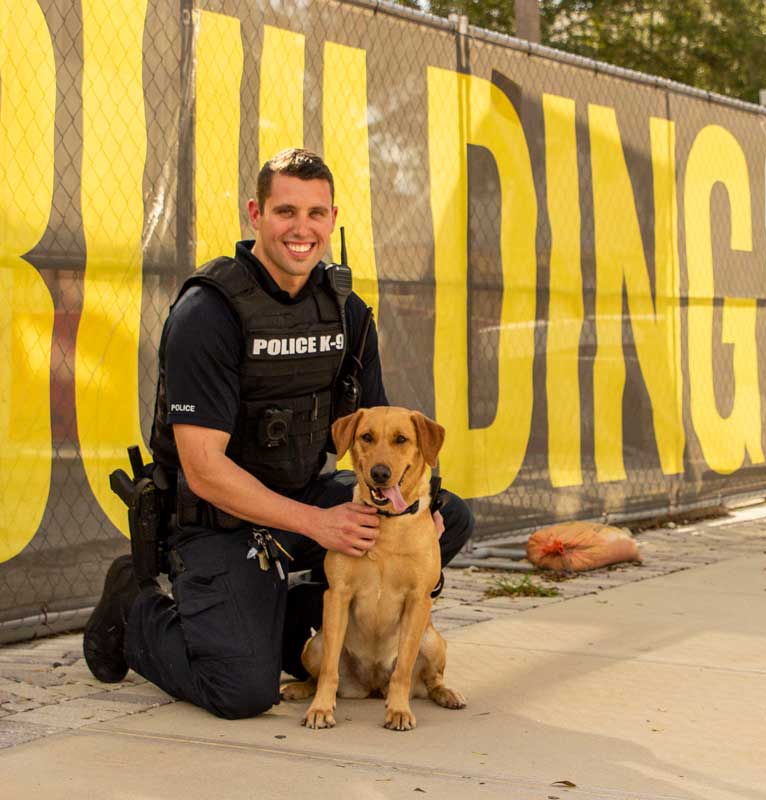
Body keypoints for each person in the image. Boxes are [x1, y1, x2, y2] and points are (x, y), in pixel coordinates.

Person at [82, 148, 473, 719]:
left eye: (316, 214)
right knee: (241, 690)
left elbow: (383, 426)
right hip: (218, 515)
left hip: (301, 497)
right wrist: (318, 523)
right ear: (255, 214)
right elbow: (204, 469)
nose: (302, 229)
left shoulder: (344, 310)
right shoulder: (209, 313)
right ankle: (135, 609)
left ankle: (286, 613)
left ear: (332, 219)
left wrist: (417, 503)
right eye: (285, 211)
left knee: (449, 518)